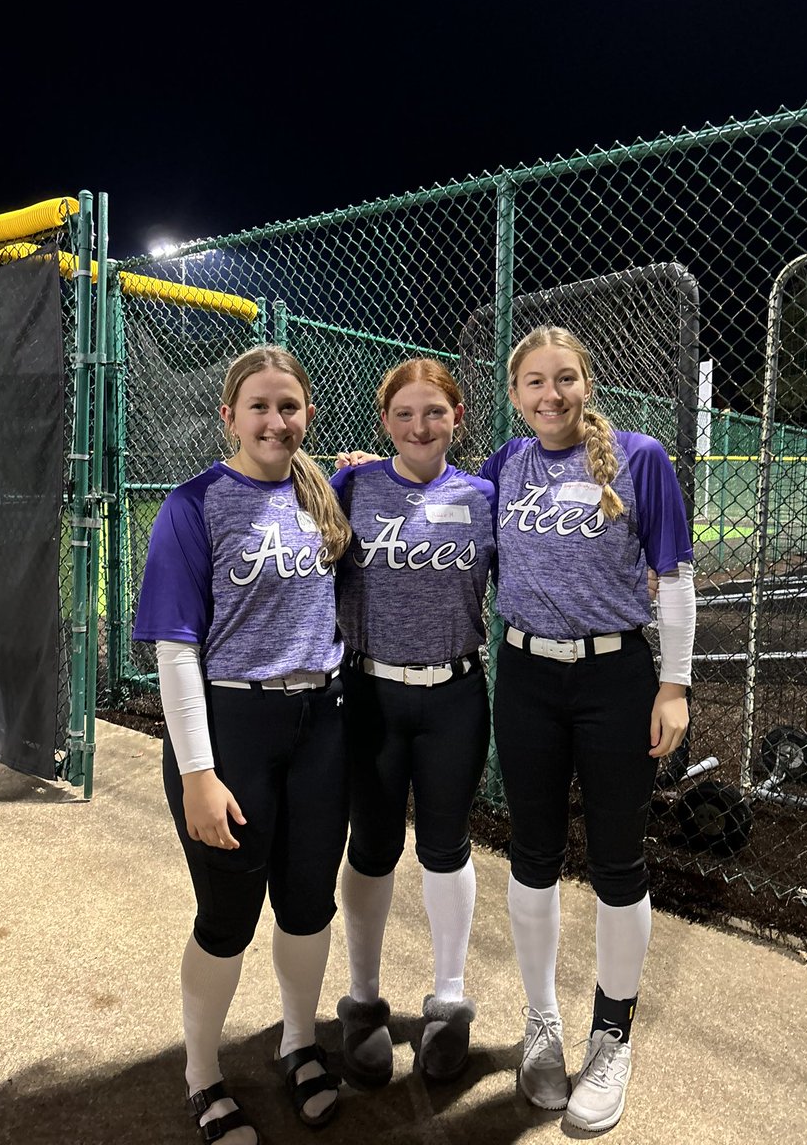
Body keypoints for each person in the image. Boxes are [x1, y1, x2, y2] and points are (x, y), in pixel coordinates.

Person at [133, 346, 353, 1144]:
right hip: (231, 731)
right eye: (258, 406)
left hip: (320, 726)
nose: (274, 420)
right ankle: (203, 1074)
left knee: (306, 904)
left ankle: (299, 1043)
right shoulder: (192, 504)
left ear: (308, 417)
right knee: (227, 915)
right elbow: (176, 649)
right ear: (228, 416)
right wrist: (197, 771)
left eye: (288, 406)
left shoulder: (321, 493)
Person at [479, 325, 695, 1132]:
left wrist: (672, 684)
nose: (550, 395)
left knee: (616, 857)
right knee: (531, 851)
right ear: (514, 394)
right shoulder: (505, 465)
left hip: (616, 679)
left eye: (564, 378)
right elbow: (434, 501)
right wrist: (366, 472)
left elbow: (674, 579)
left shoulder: (640, 458)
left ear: (587, 382)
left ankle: (613, 1033)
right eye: (533, 382)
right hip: (527, 675)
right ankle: (542, 1022)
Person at [331, 358, 497, 1084]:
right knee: (371, 846)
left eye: (434, 412)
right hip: (371, 693)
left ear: (456, 417)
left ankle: (450, 999)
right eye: (404, 414)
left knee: (446, 847)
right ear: (384, 422)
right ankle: (362, 1001)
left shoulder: (486, 496)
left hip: (455, 694)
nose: (419, 426)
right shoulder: (353, 485)